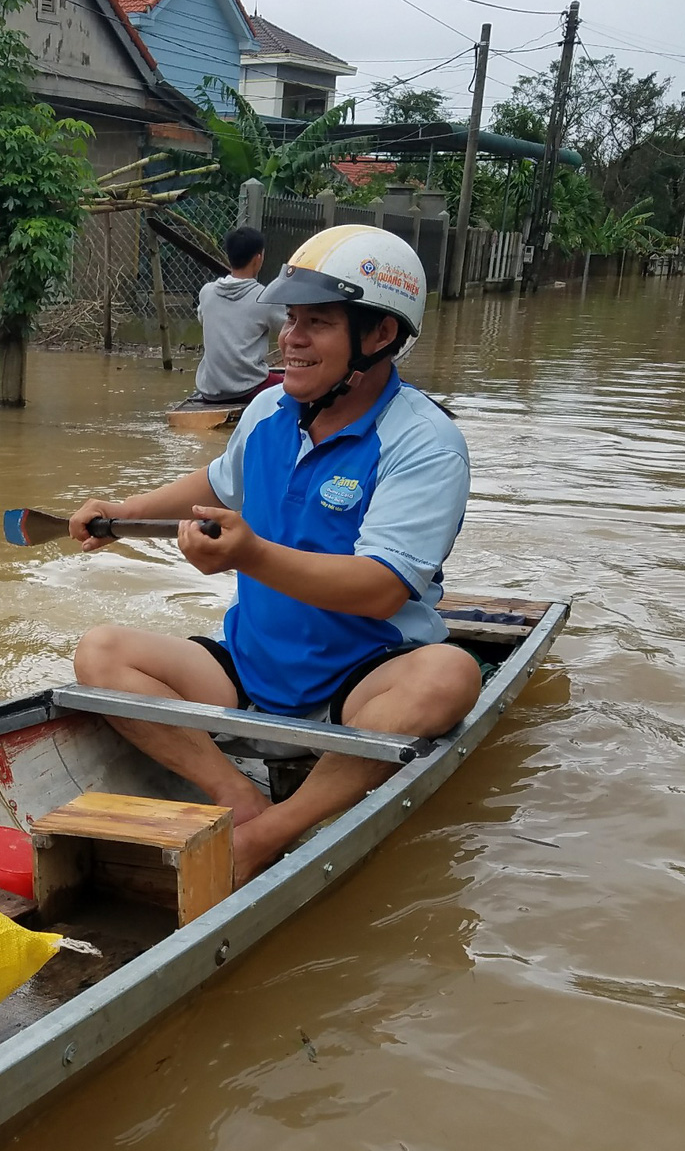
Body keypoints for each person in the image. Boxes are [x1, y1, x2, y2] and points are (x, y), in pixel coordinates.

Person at [71, 225, 479, 883]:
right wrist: (126, 510)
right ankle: (242, 799)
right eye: (291, 319)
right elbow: (214, 484)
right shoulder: (268, 410)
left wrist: (250, 555)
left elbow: (380, 589)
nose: (289, 338)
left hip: (364, 679)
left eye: (317, 323)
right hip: (252, 671)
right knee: (100, 652)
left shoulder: (423, 442)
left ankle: (272, 836)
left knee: (449, 677)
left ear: (378, 337)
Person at [193, 227, 285, 403]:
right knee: (296, 389)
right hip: (248, 388)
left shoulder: (207, 292)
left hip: (209, 389)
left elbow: (202, 320)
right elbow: (292, 328)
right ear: (258, 259)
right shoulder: (264, 297)